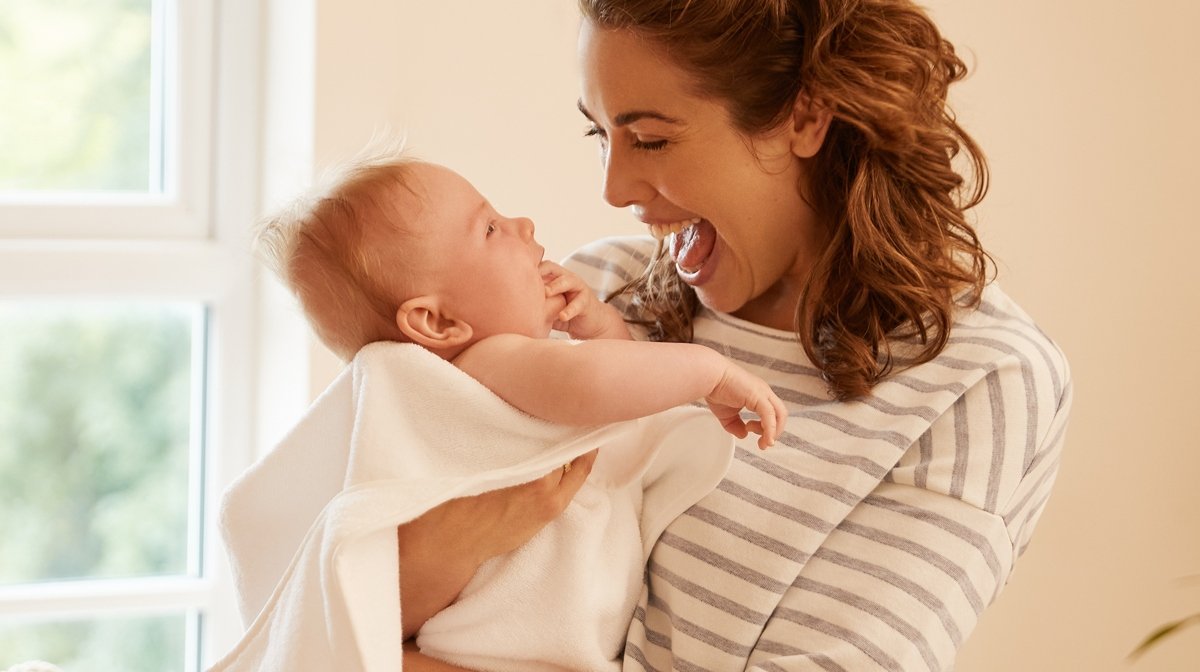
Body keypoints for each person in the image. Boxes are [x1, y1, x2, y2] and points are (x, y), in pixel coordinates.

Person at [398, 1, 1073, 671]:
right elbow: (321, 588)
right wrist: (432, 559)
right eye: (600, 135)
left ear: (805, 117)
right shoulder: (588, 291)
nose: (614, 187)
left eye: (652, 139)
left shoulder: (980, 379)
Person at [246, 147, 788, 671]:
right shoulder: (485, 362)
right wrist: (708, 371)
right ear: (435, 324)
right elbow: (593, 386)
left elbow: (603, 384)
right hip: (497, 648)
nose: (523, 223)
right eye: (489, 229)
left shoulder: (495, 372)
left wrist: (596, 326)